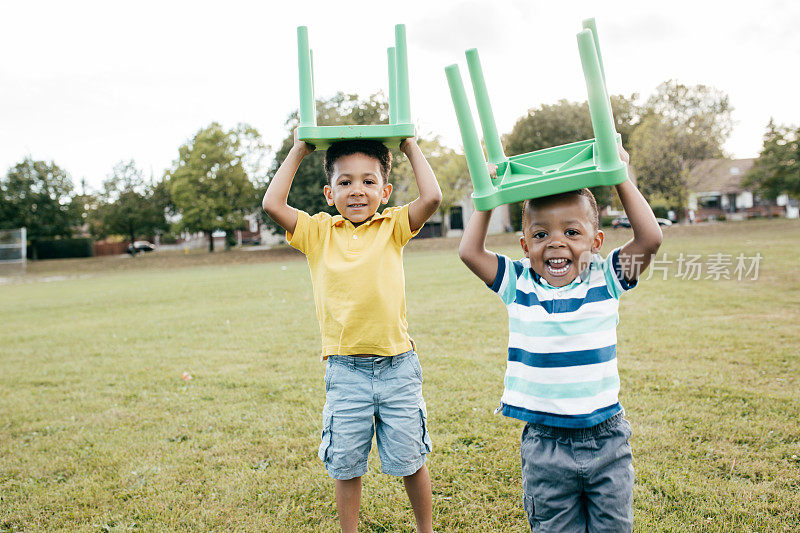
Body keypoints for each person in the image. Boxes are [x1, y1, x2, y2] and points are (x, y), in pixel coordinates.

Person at [458, 148, 662, 531]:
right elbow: (470, 251)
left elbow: (649, 238)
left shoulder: (606, 277)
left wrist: (619, 176)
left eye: (571, 232)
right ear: (524, 246)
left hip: (607, 439)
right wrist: (487, 195)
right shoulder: (517, 283)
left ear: (596, 241)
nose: (555, 242)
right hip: (545, 442)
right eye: (540, 234)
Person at [262, 131, 441, 533]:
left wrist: (409, 146)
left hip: (398, 367)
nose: (356, 191)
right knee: (346, 464)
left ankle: (426, 530)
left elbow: (431, 199)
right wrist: (299, 150)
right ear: (329, 192)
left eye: (368, 181)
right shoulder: (318, 232)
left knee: (412, 459)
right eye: (345, 182)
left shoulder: (393, 225)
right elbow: (272, 204)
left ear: (385, 190)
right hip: (345, 372)